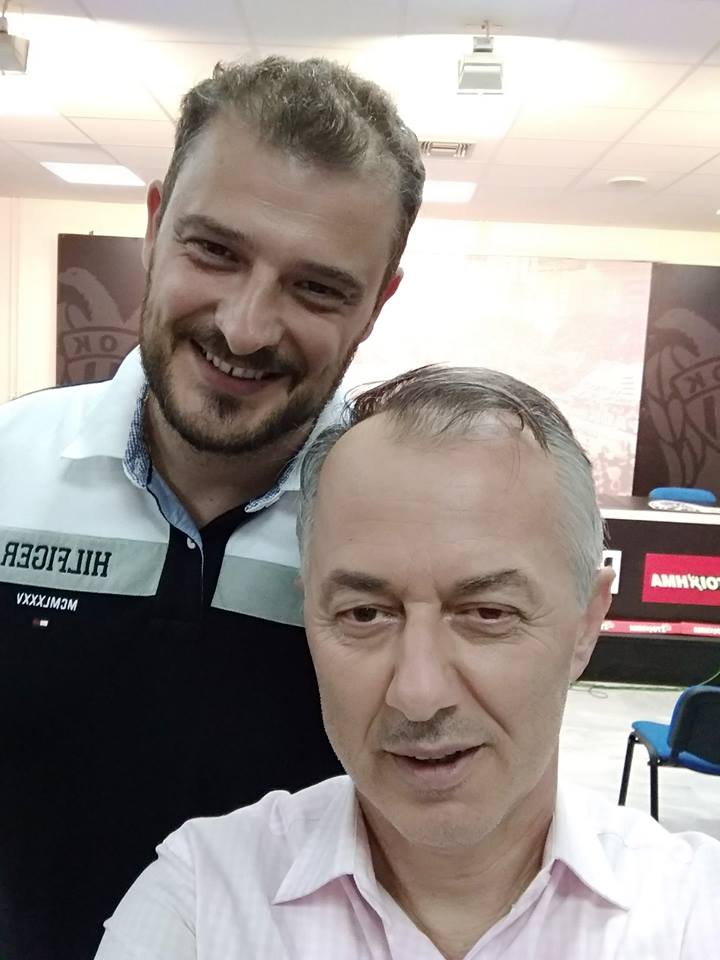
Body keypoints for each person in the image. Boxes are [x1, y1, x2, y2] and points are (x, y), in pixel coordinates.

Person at [0, 57, 425, 960]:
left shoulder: (413, 532)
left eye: (318, 287)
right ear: (155, 225)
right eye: (215, 251)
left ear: (378, 302)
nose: (244, 328)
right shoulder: (6, 470)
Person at [96, 366, 719, 959]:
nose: (418, 694)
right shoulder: (203, 900)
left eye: (488, 613)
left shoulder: (695, 912)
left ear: (587, 623)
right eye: (365, 614)